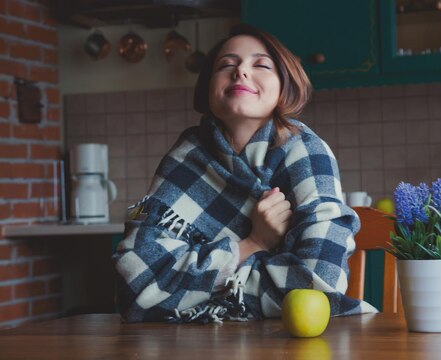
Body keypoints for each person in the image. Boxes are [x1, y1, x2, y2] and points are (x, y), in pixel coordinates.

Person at [112, 23, 376, 323]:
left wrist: (199, 288)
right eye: (227, 65)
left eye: (261, 64)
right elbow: (136, 282)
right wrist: (254, 244)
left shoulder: (307, 152)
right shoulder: (185, 156)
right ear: (208, 87)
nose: (240, 72)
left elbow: (319, 281)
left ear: (284, 87)